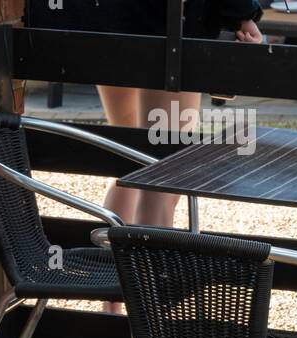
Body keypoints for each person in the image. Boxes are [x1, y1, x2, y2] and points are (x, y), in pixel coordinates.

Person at [95, 2, 264, 228]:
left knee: (130, 164)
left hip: (103, 27)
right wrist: (243, 16)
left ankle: (109, 257)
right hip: (169, 30)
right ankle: (148, 262)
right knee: (160, 179)